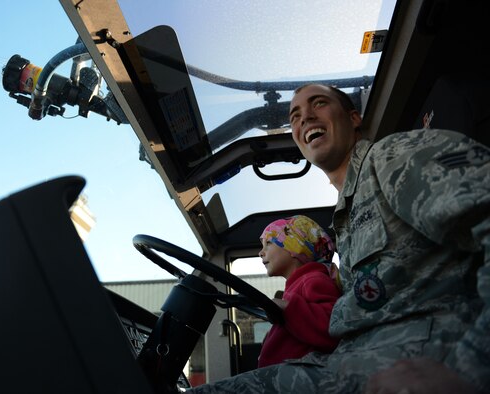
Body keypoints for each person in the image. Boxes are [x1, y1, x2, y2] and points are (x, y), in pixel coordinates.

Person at [189, 83, 489, 393]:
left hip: (418, 358)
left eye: (318, 103)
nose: (304, 118)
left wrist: (470, 369)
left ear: (354, 118)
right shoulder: (347, 212)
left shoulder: (393, 157)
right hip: (352, 360)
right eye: (294, 116)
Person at [257, 215, 341, 368]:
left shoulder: (313, 279)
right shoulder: (296, 284)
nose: (260, 252)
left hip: (296, 375)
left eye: (268, 243)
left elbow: (333, 326)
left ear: (294, 247)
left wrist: (287, 308)